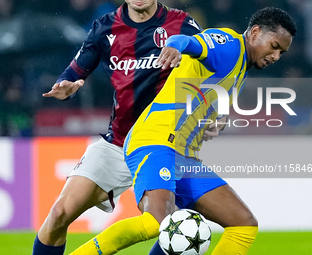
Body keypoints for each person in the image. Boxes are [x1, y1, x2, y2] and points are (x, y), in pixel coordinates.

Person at [70, 6, 297, 255]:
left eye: (282, 52)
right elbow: (190, 41)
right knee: (156, 222)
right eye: (274, 46)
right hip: (155, 140)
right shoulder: (229, 45)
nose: (276, 56)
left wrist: (214, 120)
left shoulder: (241, 67)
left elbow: (202, 100)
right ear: (255, 32)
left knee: (243, 224)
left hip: (184, 155)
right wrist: (175, 47)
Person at [31, 1, 202, 254]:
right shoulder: (104, 27)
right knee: (59, 213)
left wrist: (210, 111)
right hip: (117, 144)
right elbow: (75, 70)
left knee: (167, 224)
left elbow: (212, 68)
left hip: (162, 145)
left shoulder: (182, 25)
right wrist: (65, 85)